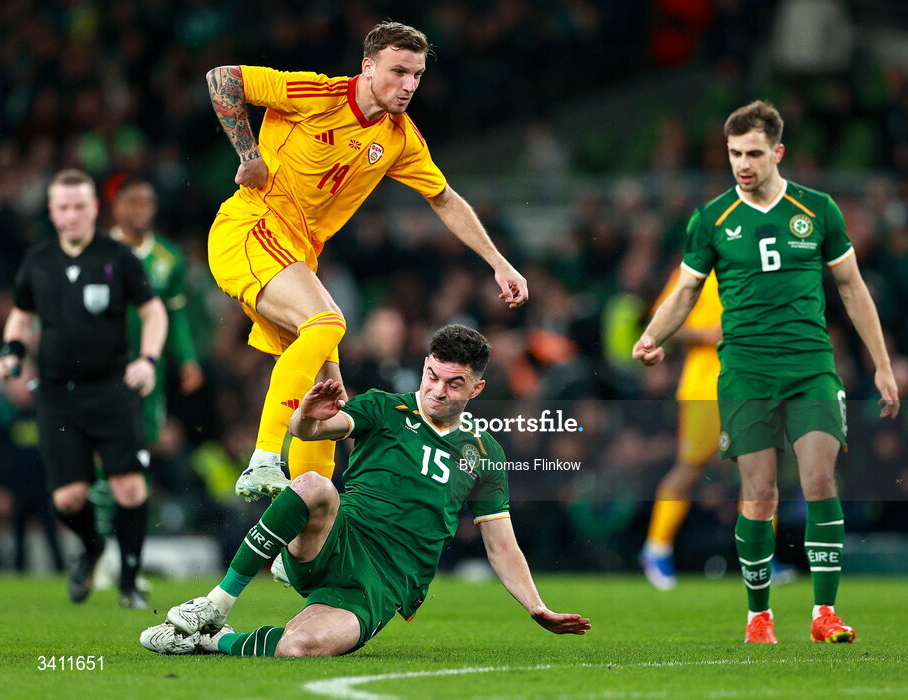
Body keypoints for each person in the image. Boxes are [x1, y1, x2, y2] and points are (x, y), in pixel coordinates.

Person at [204, 20, 528, 502]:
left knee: (329, 408)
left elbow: (443, 198)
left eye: (417, 75)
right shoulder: (316, 94)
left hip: (295, 255)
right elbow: (221, 77)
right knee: (326, 321)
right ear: (368, 66)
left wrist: (498, 262)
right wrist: (248, 153)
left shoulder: (399, 138)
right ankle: (264, 459)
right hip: (249, 229)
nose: (409, 85)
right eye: (399, 72)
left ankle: (306, 531)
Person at [141, 324, 589, 657]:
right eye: (432, 375)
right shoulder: (385, 406)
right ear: (424, 367)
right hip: (336, 539)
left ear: (478, 388)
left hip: (383, 585)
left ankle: (213, 641)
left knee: (303, 646)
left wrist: (536, 607)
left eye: (455, 384)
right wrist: (307, 417)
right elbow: (313, 431)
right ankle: (215, 604)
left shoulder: (484, 451)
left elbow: (502, 546)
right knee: (315, 485)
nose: (437, 390)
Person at [633, 101, 899, 643]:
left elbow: (851, 287)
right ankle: (759, 616)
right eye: (734, 153)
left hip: (809, 367)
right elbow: (685, 291)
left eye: (753, 153)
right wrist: (652, 337)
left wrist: (882, 365)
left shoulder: (817, 209)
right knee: (759, 494)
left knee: (821, 479)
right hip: (745, 373)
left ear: (777, 152)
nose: (743, 164)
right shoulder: (711, 219)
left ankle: (824, 614)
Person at [0, 169, 168, 608]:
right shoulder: (38, 261)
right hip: (56, 393)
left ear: (94, 209)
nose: (71, 215)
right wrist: (13, 351)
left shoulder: (119, 257)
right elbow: (20, 315)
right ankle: (91, 549)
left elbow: (154, 313)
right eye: (63, 207)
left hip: (112, 386)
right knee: (68, 498)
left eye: (79, 206)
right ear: (52, 212)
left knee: (130, 486)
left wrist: (147, 362)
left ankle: (129, 581)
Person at [639, 269, 796, 590]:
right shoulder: (695, 270)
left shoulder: (759, 268)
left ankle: (761, 556)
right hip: (704, 387)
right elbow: (663, 321)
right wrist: (706, 333)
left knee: (760, 472)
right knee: (690, 468)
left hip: (751, 383)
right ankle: (656, 547)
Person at [89, 177, 205, 551]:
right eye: (133, 202)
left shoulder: (168, 258)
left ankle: (123, 544)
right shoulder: (96, 252)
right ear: (117, 208)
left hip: (147, 371)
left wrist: (187, 360)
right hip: (101, 369)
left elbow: (176, 316)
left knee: (144, 447)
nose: (141, 210)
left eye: (147, 203)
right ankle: (101, 543)